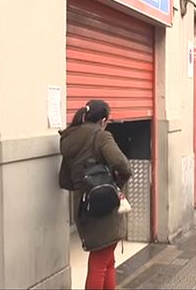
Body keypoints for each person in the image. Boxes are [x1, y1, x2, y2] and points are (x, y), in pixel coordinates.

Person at [59, 100, 132, 290]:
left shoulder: (69, 137)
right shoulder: (101, 136)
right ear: (103, 120)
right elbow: (122, 165)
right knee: (100, 264)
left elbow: (64, 180)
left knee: (107, 260)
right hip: (104, 205)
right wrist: (117, 185)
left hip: (84, 206)